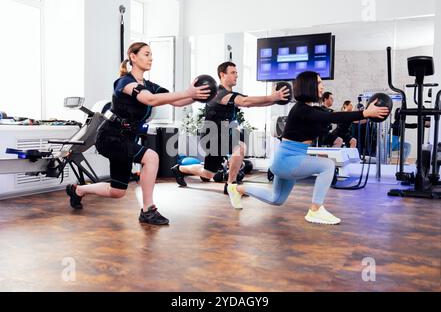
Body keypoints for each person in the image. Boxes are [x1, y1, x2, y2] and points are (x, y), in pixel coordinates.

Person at [65, 42, 211, 225]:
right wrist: (187, 92)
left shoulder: (150, 85)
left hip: (126, 139)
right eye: (146, 54)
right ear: (133, 57)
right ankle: (148, 210)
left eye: (151, 55)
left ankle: (78, 191)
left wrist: (198, 96)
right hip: (110, 137)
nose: (151, 58)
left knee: (117, 191)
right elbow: (149, 99)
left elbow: (176, 101)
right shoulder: (124, 82)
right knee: (151, 157)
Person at [228, 71, 389, 224]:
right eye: (318, 82)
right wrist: (364, 113)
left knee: (276, 199)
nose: (322, 86)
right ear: (309, 86)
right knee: (328, 165)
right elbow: (331, 117)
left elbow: (336, 118)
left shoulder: (312, 110)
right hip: (288, 160)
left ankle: (237, 189)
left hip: (286, 160)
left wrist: (368, 114)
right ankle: (315, 209)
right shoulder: (301, 109)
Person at [170, 61, 289, 209]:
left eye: (236, 73)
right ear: (222, 75)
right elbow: (245, 101)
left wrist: (274, 100)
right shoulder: (219, 93)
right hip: (211, 136)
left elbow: (251, 103)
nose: (236, 75)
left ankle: (185, 171)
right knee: (221, 163)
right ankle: (225, 183)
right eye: (233, 72)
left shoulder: (231, 95)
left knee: (212, 170)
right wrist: (272, 97)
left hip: (224, 134)